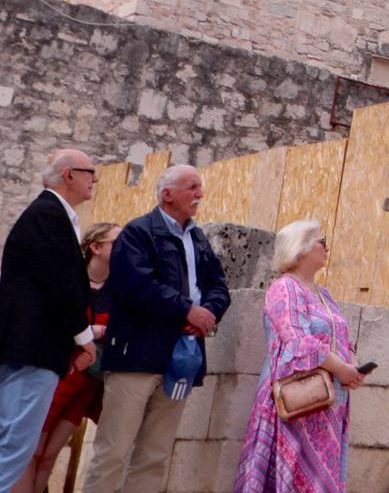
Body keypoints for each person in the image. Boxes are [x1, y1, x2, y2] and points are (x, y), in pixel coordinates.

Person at [83, 164, 229, 493]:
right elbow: (137, 287)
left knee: (155, 455)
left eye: (199, 187)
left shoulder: (198, 238)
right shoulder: (137, 233)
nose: (200, 194)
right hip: (136, 356)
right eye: (192, 187)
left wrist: (208, 313)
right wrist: (187, 311)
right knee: (113, 452)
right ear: (167, 195)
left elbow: (219, 286)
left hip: (180, 359)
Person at [232, 222, 362, 493]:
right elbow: (299, 341)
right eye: (320, 241)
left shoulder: (323, 294)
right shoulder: (284, 288)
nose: (327, 247)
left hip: (327, 404)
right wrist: (341, 369)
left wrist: (352, 367)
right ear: (299, 249)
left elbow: (340, 336)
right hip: (298, 400)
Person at [0, 151, 97, 489]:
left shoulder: (49, 214)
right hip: (33, 348)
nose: (95, 180)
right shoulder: (48, 215)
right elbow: (60, 283)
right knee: (15, 442)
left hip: (27, 346)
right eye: (90, 172)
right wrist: (84, 339)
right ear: (68, 175)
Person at [18, 221, 117, 493]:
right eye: (116, 242)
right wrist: (93, 331)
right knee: (32, 451)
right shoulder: (71, 281)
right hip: (62, 372)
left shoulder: (118, 290)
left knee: (50, 454)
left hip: (89, 381)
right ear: (96, 247)